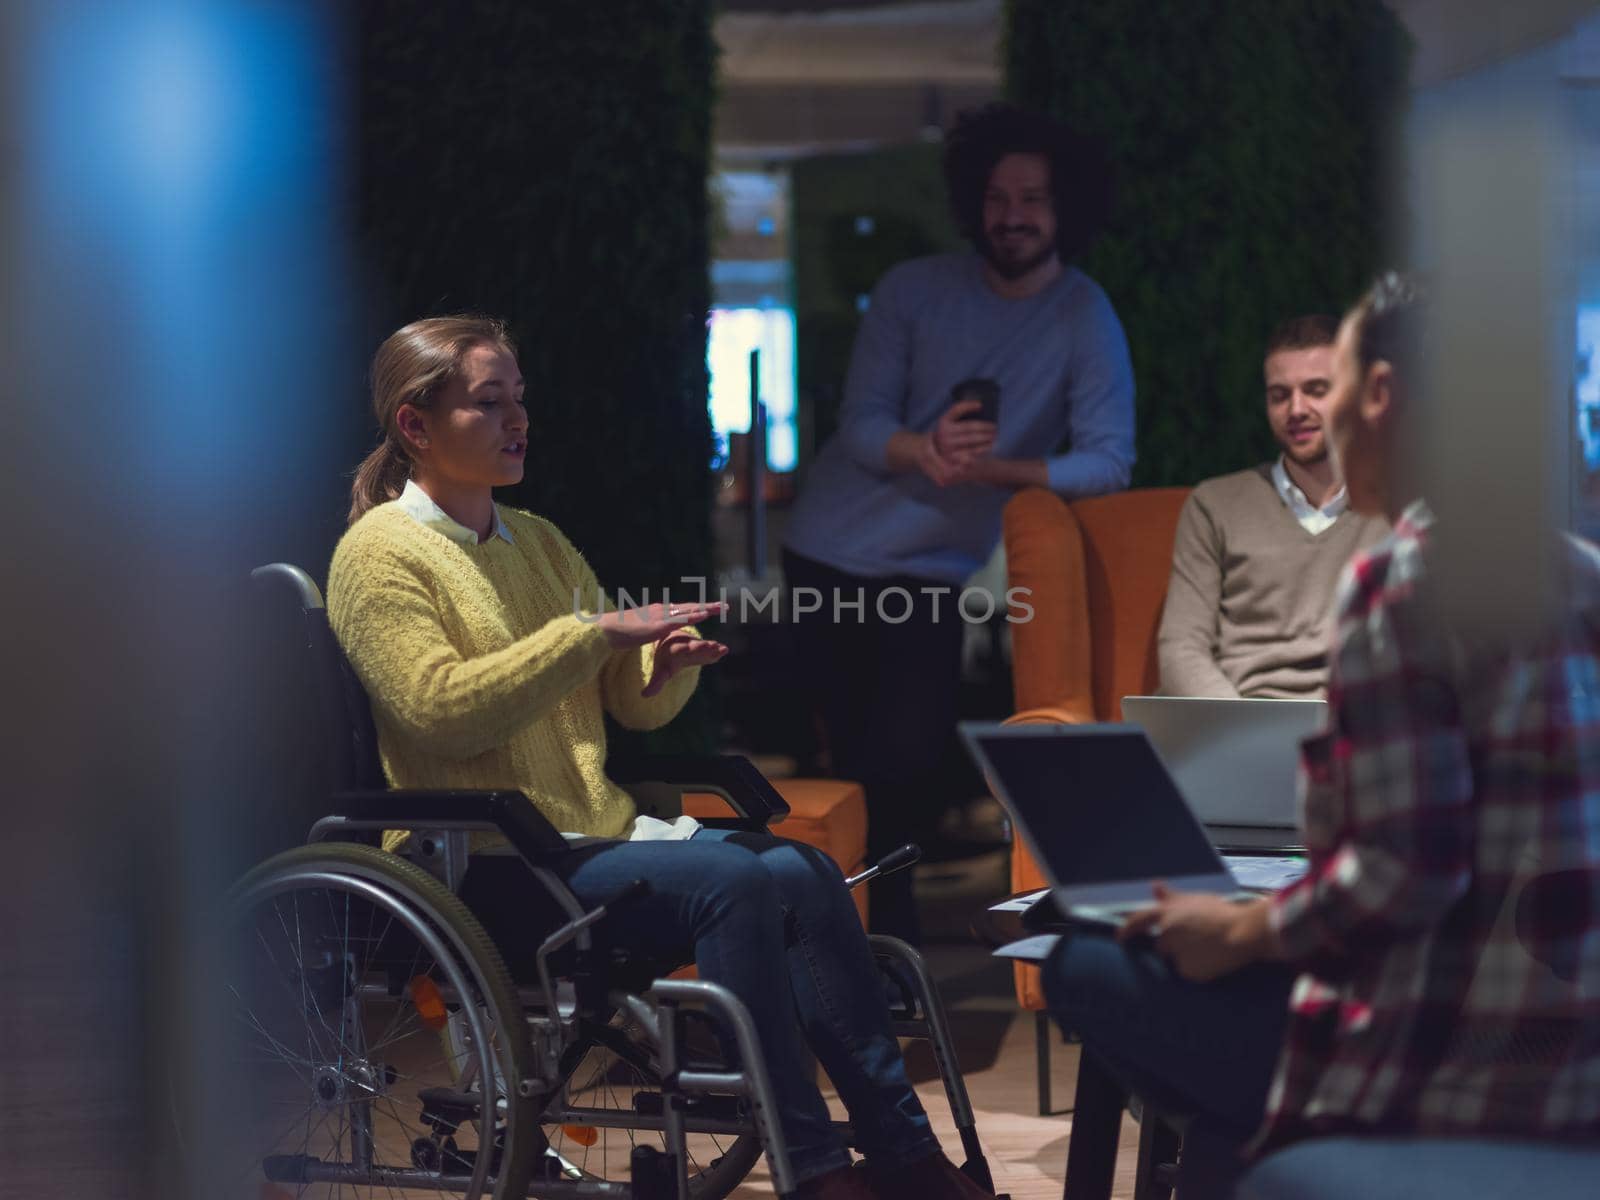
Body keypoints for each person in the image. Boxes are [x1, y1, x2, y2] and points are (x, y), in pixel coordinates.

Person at [327, 315, 990, 1200]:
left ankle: (903, 1152)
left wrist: (658, 667)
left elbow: (625, 703)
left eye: (519, 399)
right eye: (489, 403)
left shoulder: (540, 542)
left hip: (580, 845)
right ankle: (815, 1170)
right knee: (741, 883)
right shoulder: (377, 557)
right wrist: (588, 634)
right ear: (416, 425)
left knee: (804, 870)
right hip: (480, 861)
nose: (517, 418)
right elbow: (438, 710)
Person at [1044, 275, 1600, 1197]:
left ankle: (1294, 1143)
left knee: (1085, 962)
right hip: (1566, 1042)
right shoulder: (1579, 569)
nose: (1315, 411)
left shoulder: (1406, 583)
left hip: (1435, 1047)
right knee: (1220, 1095)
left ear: (1380, 397)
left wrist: (1243, 933)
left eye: (1330, 384)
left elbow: (1403, 876)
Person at [783, 103, 1137, 942]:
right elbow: (861, 423)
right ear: (973, 201)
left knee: (906, 764)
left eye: (1035, 199)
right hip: (827, 553)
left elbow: (1109, 462)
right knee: (843, 776)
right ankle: (855, 945)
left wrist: (994, 471)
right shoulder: (914, 290)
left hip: (933, 569)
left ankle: (884, 945)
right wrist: (923, 447)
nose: (1013, 215)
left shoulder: (1085, 316)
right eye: (999, 196)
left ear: (1066, 209)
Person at [1157, 315, 1390, 698]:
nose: (1296, 409)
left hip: (1359, 727)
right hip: (1242, 719)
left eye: (1316, 390)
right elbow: (1181, 648)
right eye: (1279, 395)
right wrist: (1237, 733)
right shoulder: (1214, 505)